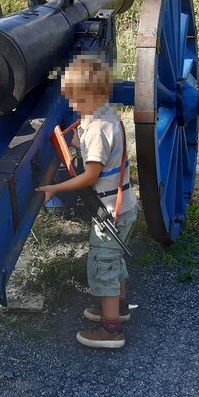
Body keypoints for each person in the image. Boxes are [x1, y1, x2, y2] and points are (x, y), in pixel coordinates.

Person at [36, 55, 137, 349]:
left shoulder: (96, 129)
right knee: (113, 261)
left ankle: (110, 330)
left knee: (103, 265)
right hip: (124, 205)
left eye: (79, 100)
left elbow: (90, 175)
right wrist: (72, 143)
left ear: (98, 95)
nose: (73, 106)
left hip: (109, 211)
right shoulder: (107, 117)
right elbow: (100, 153)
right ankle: (118, 307)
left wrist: (56, 187)